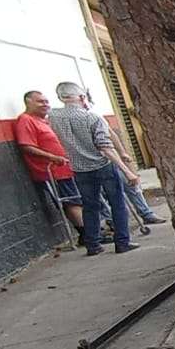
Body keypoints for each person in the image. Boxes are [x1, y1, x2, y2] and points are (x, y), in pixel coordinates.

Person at [48, 82, 141, 256]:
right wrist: (127, 171)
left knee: (90, 206)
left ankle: (93, 244)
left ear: (61, 97)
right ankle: (122, 242)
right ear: (82, 97)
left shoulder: (53, 116)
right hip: (102, 164)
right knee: (117, 203)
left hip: (79, 168)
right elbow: (105, 147)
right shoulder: (93, 118)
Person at [13, 90, 86, 245]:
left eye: (46, 101)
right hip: (51, 171)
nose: (45, 104)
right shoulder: (26, 120)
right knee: (70, 202)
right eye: (40, 101)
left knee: (76, 199)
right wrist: (54, 158)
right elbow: (27, 146)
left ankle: (91, 232)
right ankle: (86, 234)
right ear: (28, 102)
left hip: (65, 169)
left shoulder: (44, 121)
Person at [84, 94, 165, 225]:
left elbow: (111, 134)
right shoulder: (73, 120)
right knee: (103, 193)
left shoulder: (95, 117)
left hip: (109, 157)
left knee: (130, 183)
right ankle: (113, 221)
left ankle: (145, 213)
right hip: (94, 161)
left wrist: (122, 152)